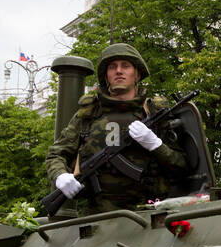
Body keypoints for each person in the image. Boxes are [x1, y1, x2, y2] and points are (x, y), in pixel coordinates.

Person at [43, 43, 192, 214]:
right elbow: (56, 154)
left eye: (125, 66)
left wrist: (156, 145)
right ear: (106, 75)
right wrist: (61, 176)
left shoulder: (154, 114)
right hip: (95, 218)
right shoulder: (89, 114)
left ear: (137, 74)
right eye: (112, 67)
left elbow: (184, 167)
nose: (118, 71)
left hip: (149, 215)